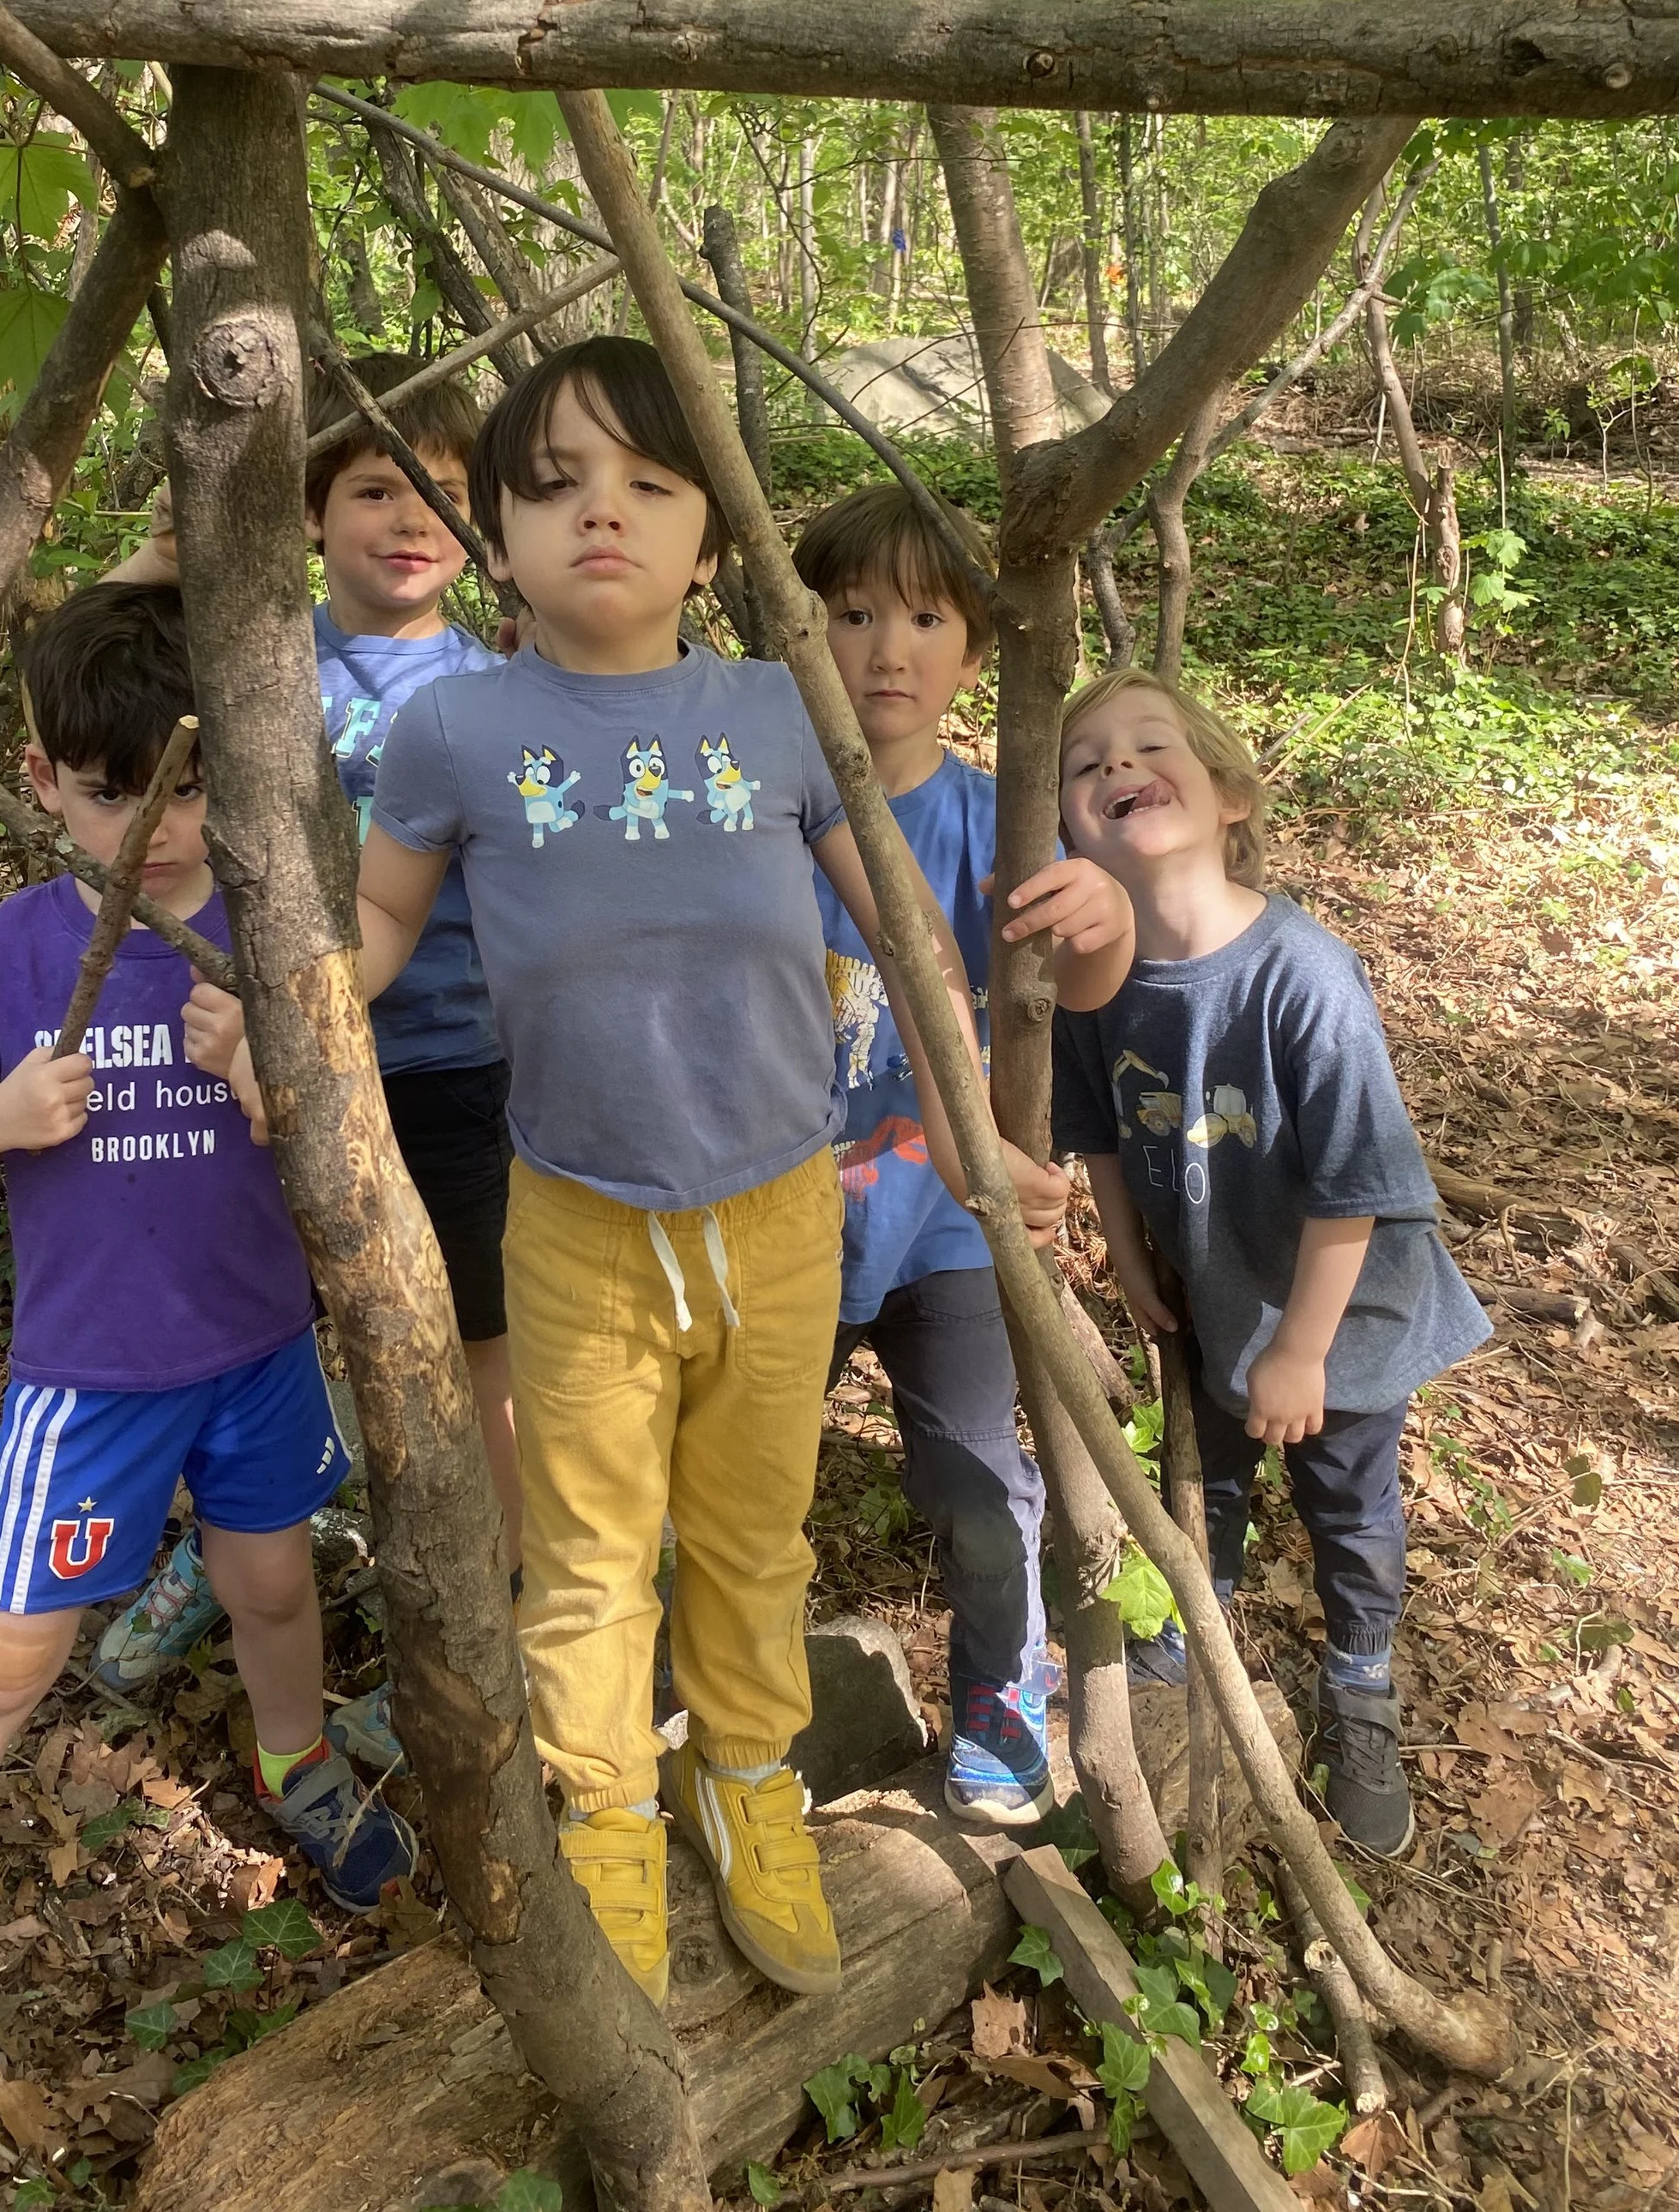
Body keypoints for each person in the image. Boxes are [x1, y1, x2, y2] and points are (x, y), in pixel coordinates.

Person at [357, 339, 1134, 2007]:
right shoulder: (455, 729)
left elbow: (906, 941)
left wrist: (975, 1141)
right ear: (498, 534)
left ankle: (745, 1775)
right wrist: (278, 1002)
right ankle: (604, 1810)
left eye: (648, 483)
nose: (603, 515)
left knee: (751, 1528)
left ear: (711, 541)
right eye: (554, 486)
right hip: (575, 1214)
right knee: (586, 1548)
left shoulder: (778, 715)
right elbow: (372, 922)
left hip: (782, 1209)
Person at [0, 585, 416, 2146]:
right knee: (5, 1660)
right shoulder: (6, 955)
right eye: (107, 792)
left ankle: (294, 1758)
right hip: (89, 1385)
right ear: (42, 783)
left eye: (188, 786)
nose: (151, 828)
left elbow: (342, 1145)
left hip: (259, 1354)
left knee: (273, 1585)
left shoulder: (271, 943)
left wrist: (271, 1073)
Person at [94, 356, 521, 1710]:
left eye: (443, 493)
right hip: (254, 1064)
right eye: (377, 487)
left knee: (474, 1344)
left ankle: (496, 1597)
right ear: (310, 511)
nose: (412, 519)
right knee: (254, 1334)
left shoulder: (494, 689)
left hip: (450, 1064)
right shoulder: (251, 654)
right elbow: (89, 677)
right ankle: (231, 1553)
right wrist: (162, 557)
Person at [1050, 666, 1491, 1860]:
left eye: (1151, 747)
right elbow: (1095, 1129)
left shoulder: (1302, 972)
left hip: (1344, 1312)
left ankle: (1360, 1684)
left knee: (1348, 1505)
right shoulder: (1095, 981)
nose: (1117, 767)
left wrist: (1302, 1353)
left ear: (1230, 796)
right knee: (1210, 1481)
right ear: (1069, 827)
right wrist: (1129, 1256)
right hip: (1215, 1287)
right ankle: (1188, 1633)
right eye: (1086, 763)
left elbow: (1360, 1186)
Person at [794, 480, 1112, 1830]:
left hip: (943, 1226)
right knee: (749, 1487)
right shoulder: (754, 811)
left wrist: (1101, 920)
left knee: (976, 1483)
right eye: (854, 612)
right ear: (799, 628)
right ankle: (738, 1707)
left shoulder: (995, 822)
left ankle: (1002, 1688)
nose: (887, 649)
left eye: (926, 619)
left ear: (976, 653)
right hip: (777, 1223)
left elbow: (1070, 992)